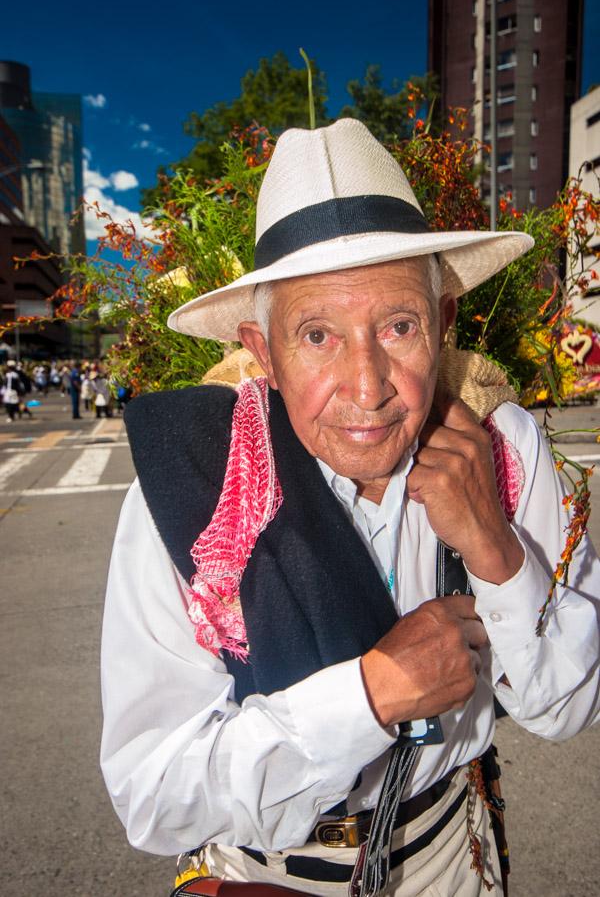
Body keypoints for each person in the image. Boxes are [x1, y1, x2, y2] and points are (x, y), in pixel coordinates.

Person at [101, 120, 600, 896]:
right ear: (261, 353)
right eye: (318, 336)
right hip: (267, 879)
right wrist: (369, 697)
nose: (367, 386)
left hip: (452, 857)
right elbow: (154, 795)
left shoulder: (502, 447)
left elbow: (566, 709)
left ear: (442, 325)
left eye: (398, 326)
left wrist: (496, 550)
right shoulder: (194, 494)